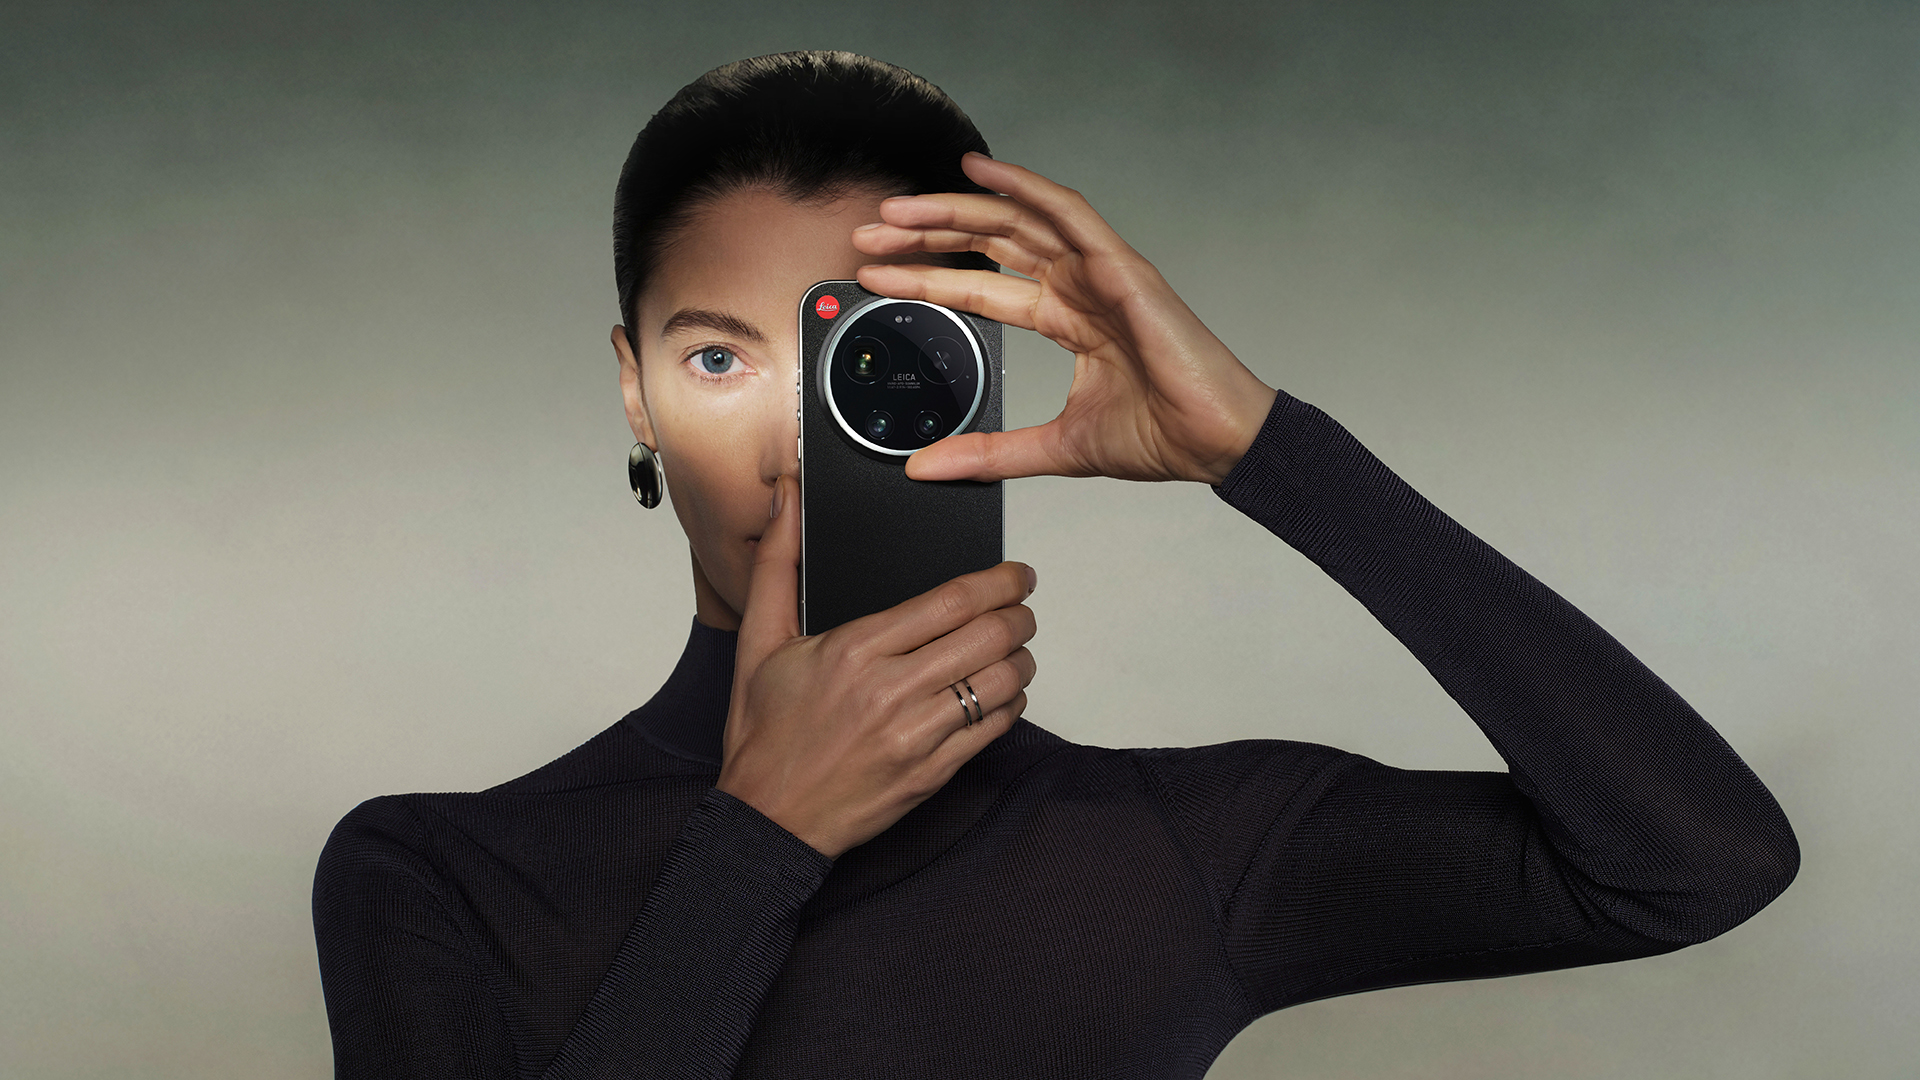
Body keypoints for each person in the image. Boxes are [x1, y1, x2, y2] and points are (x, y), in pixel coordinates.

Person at [311, 50, 1799, 1079]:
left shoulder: (1178, 850)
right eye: (716, 357)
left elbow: (1697, 865)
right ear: (634, 390)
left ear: (984, 365)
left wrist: (1265, 448)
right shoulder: (436, 875)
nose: (789, 446)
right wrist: (754, 848)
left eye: (866, 360)